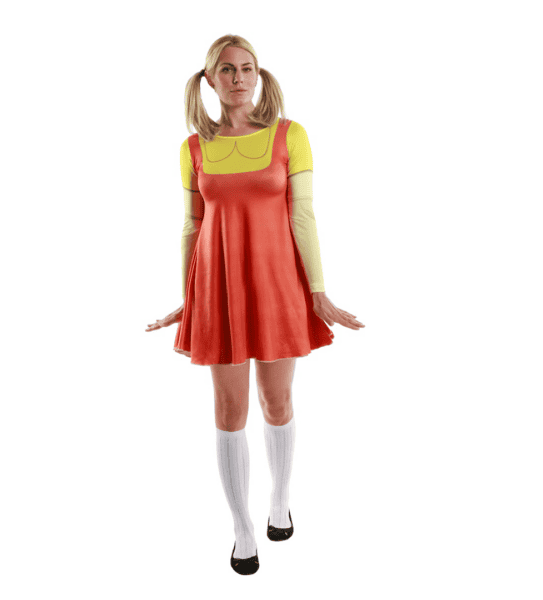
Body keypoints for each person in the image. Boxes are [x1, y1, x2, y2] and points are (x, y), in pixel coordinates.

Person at [145, 34, 365, 575]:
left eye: (247, 68)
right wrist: (188, 297)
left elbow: (303, 216)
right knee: (228, 411)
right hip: (217, 288)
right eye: (227, 69)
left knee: (277, 401)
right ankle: (243, 528)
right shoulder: (193, 148)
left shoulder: (292, 136)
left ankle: (279, 501)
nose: (238, 78)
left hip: (278, 284)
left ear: (259, 75)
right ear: (210, 80)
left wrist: (318, 290)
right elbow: (191, 226)